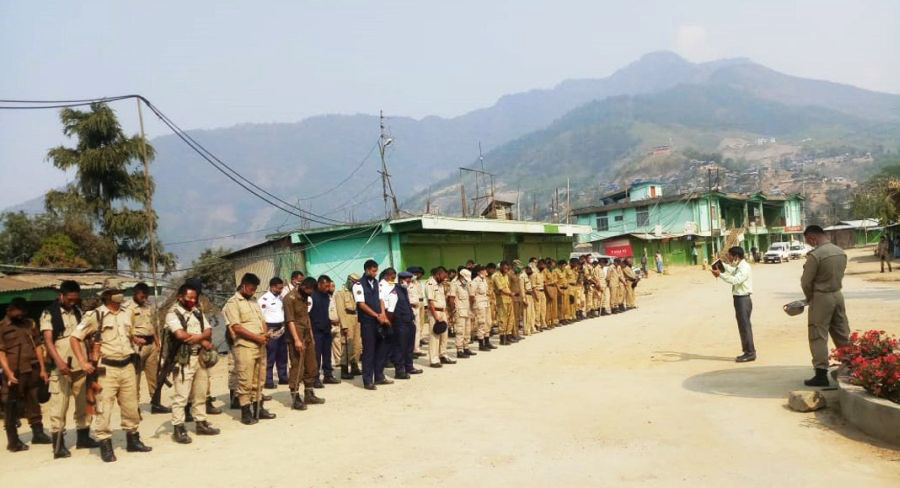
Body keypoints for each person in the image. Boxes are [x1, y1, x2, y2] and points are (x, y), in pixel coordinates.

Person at [70, 289, 152, 462]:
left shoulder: (127, 312)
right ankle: (105, 444)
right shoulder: (96, 315)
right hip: (106, 368)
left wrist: (134, 339)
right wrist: (83, 362)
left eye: (120, 291)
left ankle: (133, 439)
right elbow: (75, 338)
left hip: (127, 365)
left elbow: (127, 333)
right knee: (103, 408)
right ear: (107, 295)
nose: (119, 294)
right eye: (115, 292)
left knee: (131, 405)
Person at [41, 280, 98, 458]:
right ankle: (58, 445)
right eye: (70, 299)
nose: (73, 302)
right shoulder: (49, 312)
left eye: (75, 299)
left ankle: (83, 437)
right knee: (59, 406)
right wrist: (58, 362)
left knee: (83, 404)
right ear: (62, 296)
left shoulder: (79, 312)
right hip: (62, 367)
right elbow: (48, 341)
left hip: (80, 367)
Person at [165, 282, 220, 444]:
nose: (192, 300)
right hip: (184, 360)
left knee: (200, 393)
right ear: (180, 297)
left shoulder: (196, 311)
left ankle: (201, 422)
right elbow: (180, 335)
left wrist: (198, 339)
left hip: (200, 358)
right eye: (189, 298)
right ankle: (179, 427)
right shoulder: (173, 313)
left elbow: (208, 330)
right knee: (181, 395)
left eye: (194, 298)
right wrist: (201, 339)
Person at [801, 225, 851, 387]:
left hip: (821, 297)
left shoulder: (816, 256)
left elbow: (806, 282)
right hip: (837, 295)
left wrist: (810, 298)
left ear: (812, 238)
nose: (810, 244)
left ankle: (821, 374)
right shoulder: (840, 252)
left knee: (818, 335)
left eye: (809, 241)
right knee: (842, 332)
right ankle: (851, 366)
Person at [223, 273, 276, 425]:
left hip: (260, 345)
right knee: (245, 380)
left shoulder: (253, 301)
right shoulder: (233, 303)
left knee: (259, 379)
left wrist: (265, 334)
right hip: (245, 346)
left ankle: (259, 408)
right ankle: (246, 412)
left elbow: (262, 320)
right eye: (251, 289)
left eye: (255, 289)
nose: (253, 292)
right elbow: (236, 327)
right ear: (243, 285)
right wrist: (256, 337)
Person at [0, 297, 50, 452]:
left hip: (32, 369)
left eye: (23, 313)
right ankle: (13, 441)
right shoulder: (2, 327)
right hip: (15, 372)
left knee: (33, 400)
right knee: (12, 405)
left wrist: (42, 369)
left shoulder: (30, 324)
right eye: (18, 313)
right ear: (10, 310)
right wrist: (8, 373)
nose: (21, 315)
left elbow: (38, 347)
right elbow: (1, 353)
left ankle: (38, 433)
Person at [123, 282, 168, 415]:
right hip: (137, 346)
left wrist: (157, 342)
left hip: (150, 345)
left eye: (146, 296)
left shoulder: (149, 306)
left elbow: (152, 325)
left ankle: (156, 403)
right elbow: (125, 328)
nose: (145, 298)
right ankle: (134, 408)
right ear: (135, 294)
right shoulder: (128, 308)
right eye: (142, 295)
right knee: (134, 378)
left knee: (153, 376)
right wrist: (134, 339)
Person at [284, 277, 324, 409]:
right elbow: (290, 321)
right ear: (304, 287)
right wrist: (296, 340)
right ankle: (295, 397)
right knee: (297, 366)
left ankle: (309, 393)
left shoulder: (305, 297)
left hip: (307, 336)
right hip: (296, 336)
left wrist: (311, 335)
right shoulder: (289, 299)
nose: (311, 293)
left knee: (311, 365)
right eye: (310, 290)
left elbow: (306, 317)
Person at [712, 247, 756, 362]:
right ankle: (747, 351)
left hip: (743, 299)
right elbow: (731, 270)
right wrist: (720, 265)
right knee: (743, 326)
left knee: (745, 327)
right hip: (739, 299)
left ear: (736, 256)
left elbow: (735, 280)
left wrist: (720, 275)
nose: (728, 258)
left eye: (730, 256)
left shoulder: (745, 268)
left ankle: (750, 353)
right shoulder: (739, 266)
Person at [353, 260, 392, 389]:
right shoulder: (358, 285)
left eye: (376, 271)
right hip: (368, 322)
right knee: (369, 351)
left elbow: (381, 299)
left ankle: (379, 376)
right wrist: (376, 316)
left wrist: (382, 314)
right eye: (373, 271)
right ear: (367, 270)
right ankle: (368, 380)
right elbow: (361, 304)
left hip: (379, 321)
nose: (375, 274)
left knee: (381, 349)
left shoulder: (376, 283)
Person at [384, 271, 421, 379]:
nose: (409, 283)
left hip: (409, 322)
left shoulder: (404, 290)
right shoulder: (394, 291)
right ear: (401, 280)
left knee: (409, 346)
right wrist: (392, 324)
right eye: (408, 280)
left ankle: (409, 367)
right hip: (399, 323)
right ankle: (399, 371)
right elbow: (390, 310)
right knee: (400, 347)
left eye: (410, 280)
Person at [258, 277, 287, 389]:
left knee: (282, 354)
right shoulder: (264, 300)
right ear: (273, 287)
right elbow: (261, 318)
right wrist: (265, 333)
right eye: (279, 288)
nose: (281, 290)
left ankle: (283, 378)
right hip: (270, 328)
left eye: (282, 288)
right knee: (270, 355)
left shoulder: (280, 298)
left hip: (281, 328)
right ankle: (268, 380)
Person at [310, 275, 339, 386]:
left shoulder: (327, 296)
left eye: (329, 286)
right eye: (326, 286)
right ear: (320, 284)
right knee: (316, 356)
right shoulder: (312, 296)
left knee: (327, 355)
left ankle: (328, 375)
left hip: (326, 329)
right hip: (316, 330)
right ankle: (315, 378)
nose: (328, 288)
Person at [333, 274, 362, 380]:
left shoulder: (356, 292)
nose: (355, 284)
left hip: (356, 318)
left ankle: (355, 366)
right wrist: (344, 325)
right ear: (349, 281)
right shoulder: (340, 293)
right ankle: (344, 370)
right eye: (354, 282)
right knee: (346, 345)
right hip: (347, 318)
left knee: (356, 345)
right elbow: (340, 310)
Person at [426, 267, 456, 367]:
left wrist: (446, 313)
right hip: (435, 313)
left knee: (444, 336)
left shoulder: (440, 284)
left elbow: (443, 299)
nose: (444, 278)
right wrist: (436, 317)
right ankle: (434, 359)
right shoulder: (430, 284)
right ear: (438, 274)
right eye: (443, 276)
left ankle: (443, 355)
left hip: (443, 312)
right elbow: (430, 302)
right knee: (435, 336)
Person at [448, 268, 476, 358]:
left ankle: (466, 347)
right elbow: (451, 299)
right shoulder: (454, 284)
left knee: (468, 330)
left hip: (467, 310)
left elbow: (471, 296)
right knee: (460, 331)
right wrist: (453, 311)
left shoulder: (467, 284)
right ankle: (459, 350)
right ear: (461, 276)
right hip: (459, 311)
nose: (466, 281)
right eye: (465, 279)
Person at [471, 266, 494, 350]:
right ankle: (481, 344)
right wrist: (473, 307)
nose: (485, 271)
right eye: (483, 270)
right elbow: (472, 295)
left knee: (488, 322)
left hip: (486, 303)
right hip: (479, 304)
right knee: (481, 323)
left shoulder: (484, 280)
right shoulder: (475, 281)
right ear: (478, 272)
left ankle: (487, 341)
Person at [531, 260, 547, 331]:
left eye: (544, 265)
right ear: (538, 265)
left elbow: (543, 283)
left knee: (543, 308)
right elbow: (533, 286)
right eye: (542, 265)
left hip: (542, 292)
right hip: (537, 292)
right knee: (537, 309)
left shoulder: (542, 273)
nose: (543, 266)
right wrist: (536, 294)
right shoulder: (534, 274)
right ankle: (537, 324)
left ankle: (543, 323)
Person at [543, 259, 559, 328]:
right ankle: (548, 322)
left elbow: (556, 280)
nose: (553, 266)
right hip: (548, 288)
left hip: (554, 288)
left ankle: (553, 321)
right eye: (552, 264)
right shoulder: (544, 271)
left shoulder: (554, 271)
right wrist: (551, 283)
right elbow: (544, 282)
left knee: (554, 306)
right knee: (548, 306)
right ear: (548, 264)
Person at [522, 267, 536, 335]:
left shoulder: (529, 276)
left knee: (532, 313)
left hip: (530, 296)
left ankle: (532, 328)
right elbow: (522, 288)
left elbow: (531, 287)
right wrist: (523, 299)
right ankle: (526, 330)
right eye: (529, 270)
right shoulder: (522, 276)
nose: (531, 271)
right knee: (527, 314)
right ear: (526, 270)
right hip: (526, 296)